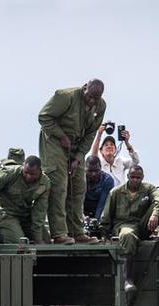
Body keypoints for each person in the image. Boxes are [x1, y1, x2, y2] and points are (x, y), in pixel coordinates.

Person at [38, 79, 106, 244]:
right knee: (59, 185)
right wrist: (60, 135)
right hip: (53, 141)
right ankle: (59, 233)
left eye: (95, 99)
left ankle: (77, 232)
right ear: (84, 88)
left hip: (77, 145)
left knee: (78, 187)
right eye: (89, 96)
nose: (91, 101)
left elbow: (91, 133)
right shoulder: (65, 96)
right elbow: (44, 117)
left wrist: (79, 156)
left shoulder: (101, 105)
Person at [100, 165, 159, 292]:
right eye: (132, 177)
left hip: (143, 225)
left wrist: (155, 214)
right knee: (127, 235)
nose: (135, 180)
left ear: (142, 178)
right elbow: (106, 215)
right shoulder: (116, 192)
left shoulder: (148, 188)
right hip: (124, 225)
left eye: (138, 177)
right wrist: (104, 232)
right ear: (128, 177)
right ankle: (128, 279)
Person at [0, 155, 50, 244]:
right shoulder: (10, 172)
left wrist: (38, 238)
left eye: (32, 174)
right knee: (19, 243)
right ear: (23, 167)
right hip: (6, 213)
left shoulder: (44, 183)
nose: (28, 176)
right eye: (26, 172)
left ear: (40, 171)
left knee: (45, 241)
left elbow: (39, 212)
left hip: (24, 215)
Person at [83, 155, 115, 220]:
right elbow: (77, 200)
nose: (93, 174)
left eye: (96, 171)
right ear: (85, 169)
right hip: (83, 206)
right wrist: (82, 216)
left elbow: (102, 204)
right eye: (90, 171)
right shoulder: (80, 179)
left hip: (99, 207)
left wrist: (96, 220)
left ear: (100, 168)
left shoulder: (107, 180)